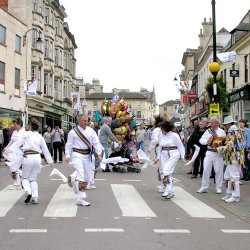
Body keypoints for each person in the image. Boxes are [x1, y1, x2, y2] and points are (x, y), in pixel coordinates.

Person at [8, 119, 54, 204]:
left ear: (30, 126)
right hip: (37, 157)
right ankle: (35, 197)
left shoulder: (26, 134)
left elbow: (17, 144)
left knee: (25, 177)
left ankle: (28, 191)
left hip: (28, 156)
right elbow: (45, 150)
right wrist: (50, 161)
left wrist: (9, 151)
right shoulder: (40, 136)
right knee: (33, 178)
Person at [65, 114, 103, 206]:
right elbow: (69, 145)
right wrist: (67, 155)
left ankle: (74, 180)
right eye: (84, 121)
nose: (87, 122)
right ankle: (80, 198)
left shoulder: (91, 131)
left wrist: (99, 154)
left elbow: (96, 143)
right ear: (79, 121)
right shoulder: (73, 132)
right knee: (81, 174)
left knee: (87, 177)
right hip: (77, 155)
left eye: (87, 121)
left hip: (87, 155)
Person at [153, 120, 185, 199]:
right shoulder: (161, 136)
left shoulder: (175, 135)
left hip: (173, 154)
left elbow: (180, 146)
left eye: (162, 128)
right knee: (166, 173)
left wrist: (183, 156)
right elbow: (160, 148)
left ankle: (167, 189)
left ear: (165, 128)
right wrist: (157, 158)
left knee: (166, 171)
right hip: (164, 154)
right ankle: (171, 192)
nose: (160, 130)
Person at [197, 117, 226, 194]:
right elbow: (201, 141)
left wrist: (220, 146)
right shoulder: (208, 131)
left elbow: (225, 142)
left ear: (216, 123)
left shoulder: (222, 132)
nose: (210, 124)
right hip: (209, 152)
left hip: (218, 154)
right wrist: (207, 141)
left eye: (211, 122)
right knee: (206, 169)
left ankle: (218, 187)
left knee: (218, 171)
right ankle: (204, 187)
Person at [221, 116, 245, 203]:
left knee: (233, 177)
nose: (224, 126)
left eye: (224, 125)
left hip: (232, 157)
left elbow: (230, 145)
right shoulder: (238, 130)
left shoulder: (232, 131)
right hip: (235, 156)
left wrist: (222, 149)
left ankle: (235, 195)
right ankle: (230, 193)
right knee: (228, 177)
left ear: (228, 124)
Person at [3, 118, 25, 190]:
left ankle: (17, 185)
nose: (13, 126)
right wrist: (6, 148)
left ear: (19, 124)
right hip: (13, 153)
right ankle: (24, 177)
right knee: (13, 167)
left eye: (15, 124)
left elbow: (21, 144)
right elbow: (11, 142)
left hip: (21, 153)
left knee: (13, 167)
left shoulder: (24, 133)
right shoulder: (14, 132)